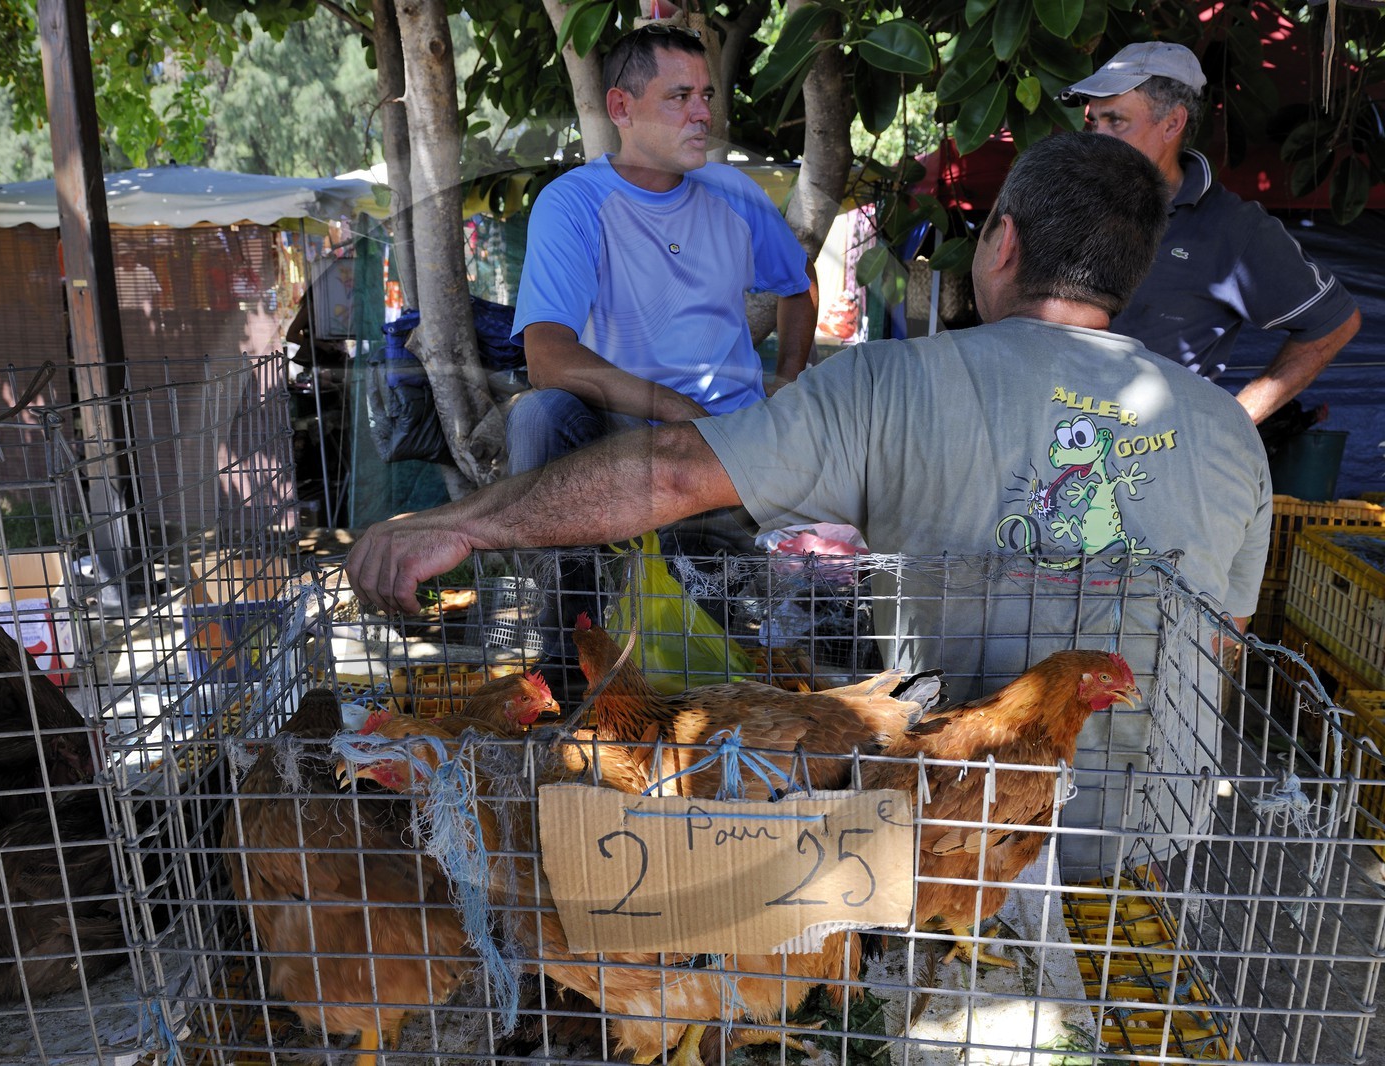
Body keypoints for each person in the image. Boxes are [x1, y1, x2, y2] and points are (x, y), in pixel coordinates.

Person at [349, 133, 1273, 875]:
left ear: (1004, 242)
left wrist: (460, 522)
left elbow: (670, 474)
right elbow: (1221, 638)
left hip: (946, 838)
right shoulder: (1231, 431)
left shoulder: (894, 384)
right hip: (1144, 840)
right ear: (1130, 274)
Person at [505, 22, 817, 474]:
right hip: (625, 437)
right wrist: (674, 408)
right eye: (679, 97)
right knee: (537, 415)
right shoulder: (573, 203)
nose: (703, 114)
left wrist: (787, 381)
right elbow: (547, 359)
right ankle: (542, 547)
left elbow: (799, 279)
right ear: (621, 108)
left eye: (706, 96)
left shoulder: (734, 193)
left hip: (732, 439)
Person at [1062, 41, 1361, 425]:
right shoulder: (1061, 202)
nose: (1097, 137)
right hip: (1051, 447)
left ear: (1172, 123)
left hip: (1156, 460)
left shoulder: (1231, 227)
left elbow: (1335, 321)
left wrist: (1232, 422)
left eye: (1115, 121)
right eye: (1093, 121)